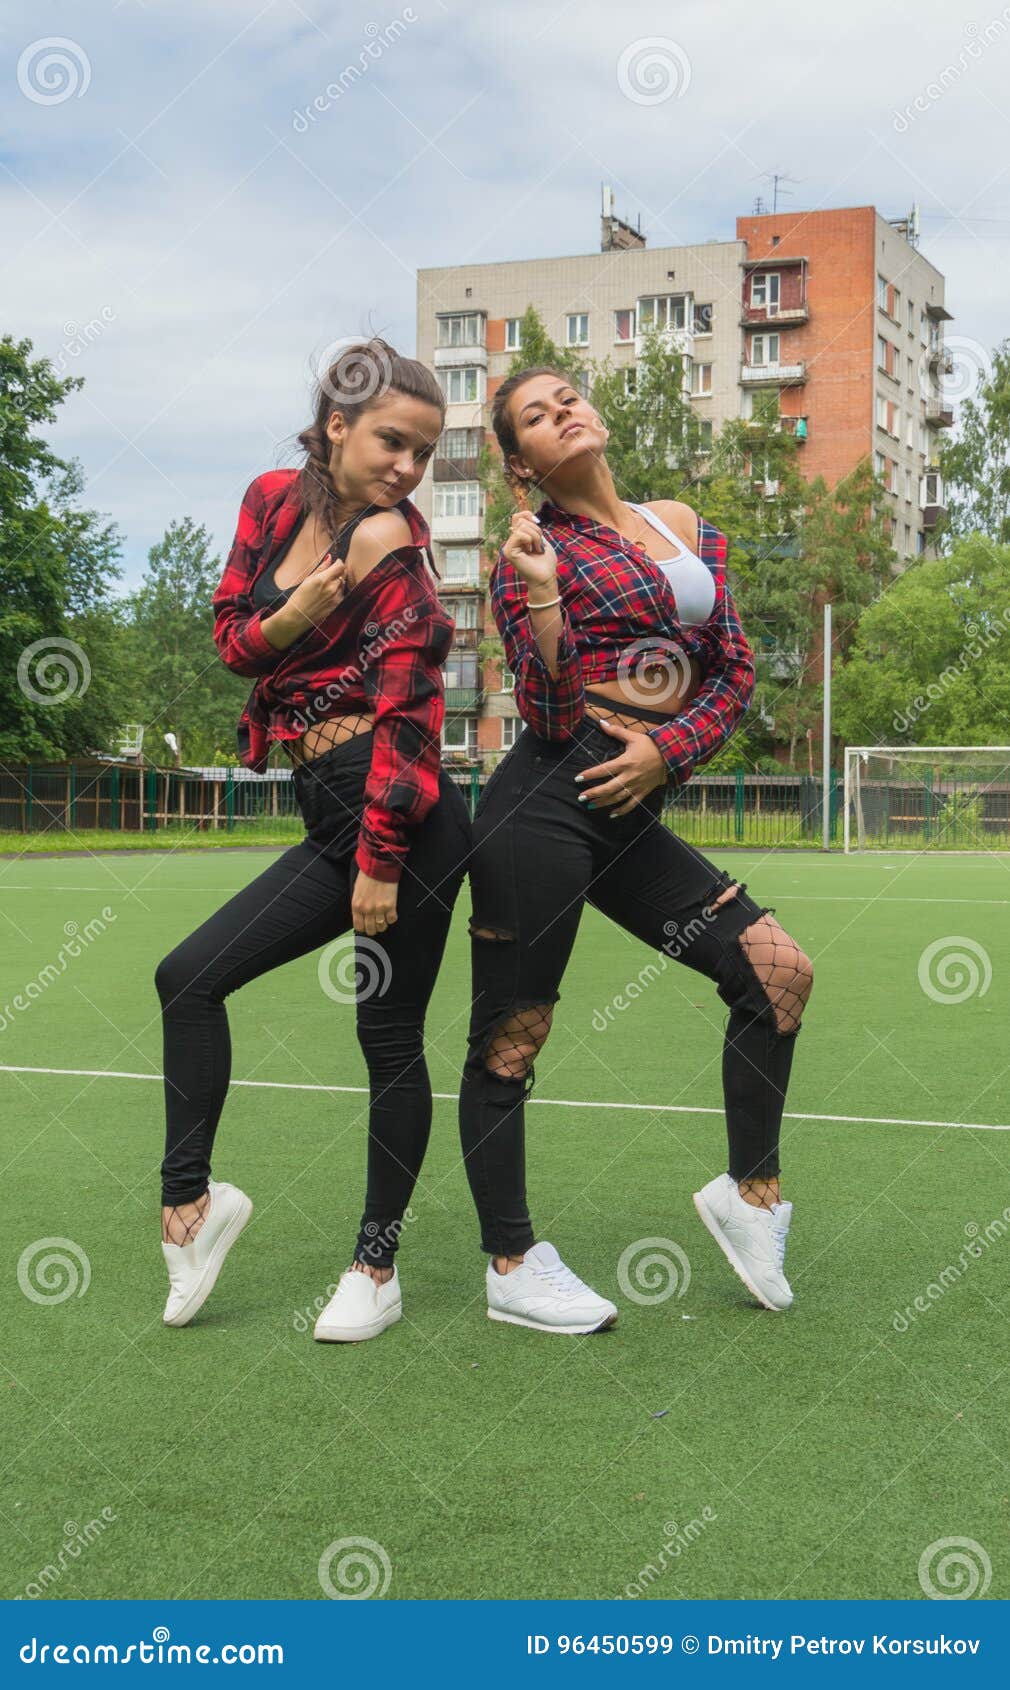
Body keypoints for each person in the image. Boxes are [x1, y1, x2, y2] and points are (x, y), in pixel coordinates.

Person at [458, 366, 814, 1335]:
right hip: (542, 802)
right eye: (533, 415)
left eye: (567, 396)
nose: (560, 411)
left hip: (630, 803)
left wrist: (666, 750)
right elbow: (545, 709)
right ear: (519, 461)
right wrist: (539, 602)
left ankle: (749, 1200)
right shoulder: (534, 551)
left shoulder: (677, 524)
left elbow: (732, 668)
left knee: (776, 971)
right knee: (511, 1037)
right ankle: (510, 1261)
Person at [155, 338, 471, 1342]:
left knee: (385, 1039)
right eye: (392, 441)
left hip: (401, 816)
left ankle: (373, 1269)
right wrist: (294, 613)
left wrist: (380, 856)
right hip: (325, 813)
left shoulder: (394, 541)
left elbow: (414, 701)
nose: (406, 469)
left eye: (423, 452)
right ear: (336, 424)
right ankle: (192, 1208)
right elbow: (230, 642)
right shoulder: (269, 502)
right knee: (187, 976)